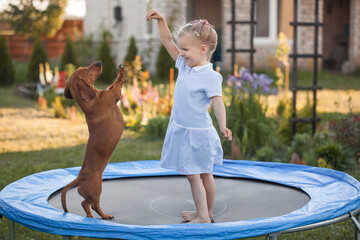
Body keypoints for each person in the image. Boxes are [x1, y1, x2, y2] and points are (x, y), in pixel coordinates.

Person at [146, 9, 232, 224]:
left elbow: (218, 102)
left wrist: (223, 125)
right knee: (201, 175)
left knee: (198, 175)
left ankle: (203, 215)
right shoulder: (185, 66)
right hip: (184, 131)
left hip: (199, 135)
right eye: (181, 49)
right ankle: (207, 213)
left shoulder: (211, 76)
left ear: (203, 49)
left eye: (185, 49)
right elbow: (167, 42)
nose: (181, 53)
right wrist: (162, 20)